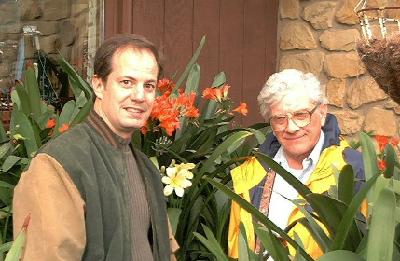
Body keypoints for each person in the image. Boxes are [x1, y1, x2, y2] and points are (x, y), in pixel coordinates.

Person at [13, 34, 178, 260]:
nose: (140, 96)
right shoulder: (58, 164)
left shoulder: (146, 168)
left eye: (149, 85)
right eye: (126, 82)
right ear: (99, 85)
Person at [228, 69, 365, 259]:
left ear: (322, 112)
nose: (291, 128)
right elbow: (236, 247)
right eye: (280, 119)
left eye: (301, 115)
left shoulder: (351, 169)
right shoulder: (250, 173)